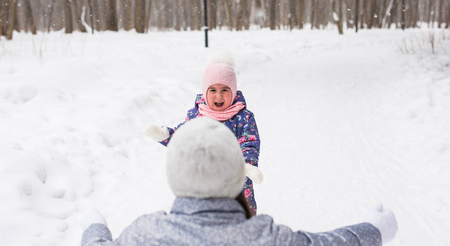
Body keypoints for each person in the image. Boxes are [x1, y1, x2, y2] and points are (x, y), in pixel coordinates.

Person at [81, 117, 398, 246]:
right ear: (237, 175)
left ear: (175, 177)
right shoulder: (264, 237)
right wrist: (375, 229)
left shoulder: (147, 234)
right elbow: (329, 244)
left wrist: (94, 227)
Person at [145, 50, 262, 215]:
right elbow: (184, 137)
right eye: (213, 90)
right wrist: (166, 135)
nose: (219, 96)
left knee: (239, 217)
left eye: (225, 90)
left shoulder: (243, 117)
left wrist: (246, 165)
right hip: (203, 178)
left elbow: (249, 142)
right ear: (205, 92)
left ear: (234, 91)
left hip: (235, 178)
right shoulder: (197, 115)